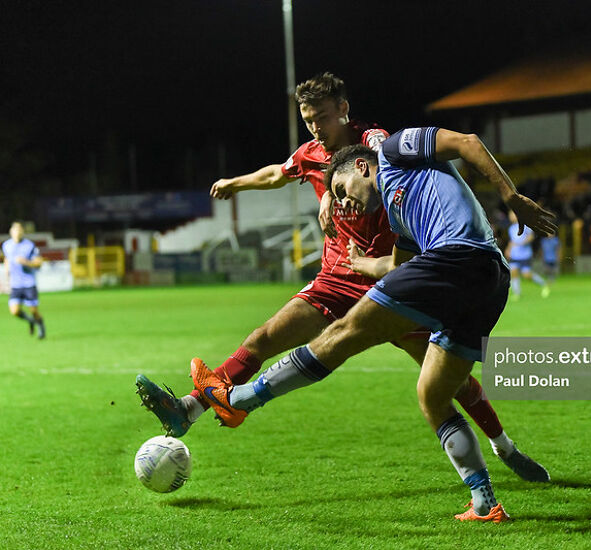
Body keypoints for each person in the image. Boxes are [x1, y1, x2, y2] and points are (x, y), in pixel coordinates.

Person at [136, 74, 548, 483]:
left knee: (451, 381)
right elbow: (275, 174)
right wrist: (233, 184)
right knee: (262, 338)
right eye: (309, 119)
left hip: (398, 276)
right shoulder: (311, 153)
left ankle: (505, 448)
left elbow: (372, 170)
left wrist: (334, 190)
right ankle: (189, 409)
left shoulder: (373, 141)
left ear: (343, 111)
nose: (316, 126)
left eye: (323, 117)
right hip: (339, 277)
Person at [190, 126, 556, 522]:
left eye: (344, 189)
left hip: (458, 257)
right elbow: (397, 266)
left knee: (344, 332)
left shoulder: (398, 150)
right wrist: (360, 263)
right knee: (433, 396)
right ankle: (485, 502)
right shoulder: (399, 218)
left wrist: (510, 196)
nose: (344, 201)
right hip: (488, 284)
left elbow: (467, 143)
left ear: (362, 167)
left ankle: (240, 399)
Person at [2, 221, 45, 339]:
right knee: (14, 311)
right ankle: (31, 321)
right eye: (15, 229)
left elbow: (39, 263)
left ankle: (41, 327)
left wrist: (26, 262)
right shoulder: (6, 245)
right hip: (16, 284)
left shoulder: (29, 245)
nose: (18, 232)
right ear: (11, 231)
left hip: (29, 283)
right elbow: (7, 259)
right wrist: (7, 272)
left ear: (23, 232)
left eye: (20, 229)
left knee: (34, 310)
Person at [505, 210, 549, 299]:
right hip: (514, 254)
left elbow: (531, 236)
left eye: (512, 215)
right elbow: (512, 241)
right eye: (510, 215)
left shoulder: (525, 226)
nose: (511, 217)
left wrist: (522, 243)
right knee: (513, 272)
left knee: (527, 275)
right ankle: (517, 294)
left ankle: (543, 283)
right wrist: (508, 249)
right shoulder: (511, 228)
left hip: (525, 254)